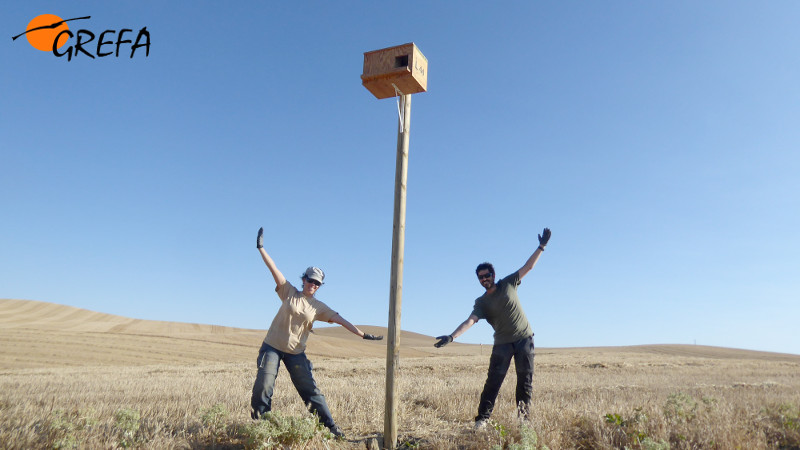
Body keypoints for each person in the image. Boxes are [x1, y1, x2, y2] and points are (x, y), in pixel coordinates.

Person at [250, 227, 383, 438]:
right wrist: (261, 248)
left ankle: (331, 430)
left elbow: (341, 320)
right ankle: (260, 428)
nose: (313, 284)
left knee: (310, 390)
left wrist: (363, 334)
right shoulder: (288, 291)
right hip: (272, 347)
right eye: (310, 280)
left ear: (320, 286)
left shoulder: (318, 307)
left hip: (296, 353)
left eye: (317, 283)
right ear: (303, 279)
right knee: (263, 386)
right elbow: (273, 268)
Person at [434, 228, 551, 428]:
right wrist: (452, 337)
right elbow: (470, 321)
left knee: (525, 382)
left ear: (493, 274)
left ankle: (523, 422)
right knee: (493, 382)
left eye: (486, 275)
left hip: (524, 339)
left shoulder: (508, 284)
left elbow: (528, 267)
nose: (484, 279)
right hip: (502, 344)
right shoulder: (481, 302)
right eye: (480, 277)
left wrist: (541, 247)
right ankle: (482, 420)